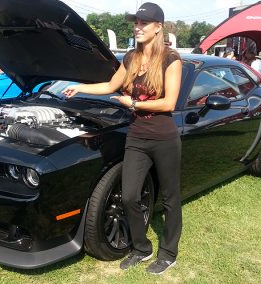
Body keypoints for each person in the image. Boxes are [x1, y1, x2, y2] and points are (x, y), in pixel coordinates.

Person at [63, 2, 182, 275]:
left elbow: (169, 103)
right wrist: (79, 87)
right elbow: (110, 85)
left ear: (158, 27)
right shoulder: (131, 58)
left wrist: (134, 103)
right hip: (137, 136)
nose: (137, 27)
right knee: (129, 196)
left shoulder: (171, 59)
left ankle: (168, 253)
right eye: (135, 23)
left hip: (164, 138)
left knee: (171, 198)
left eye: (143, 23)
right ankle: (141, 248)